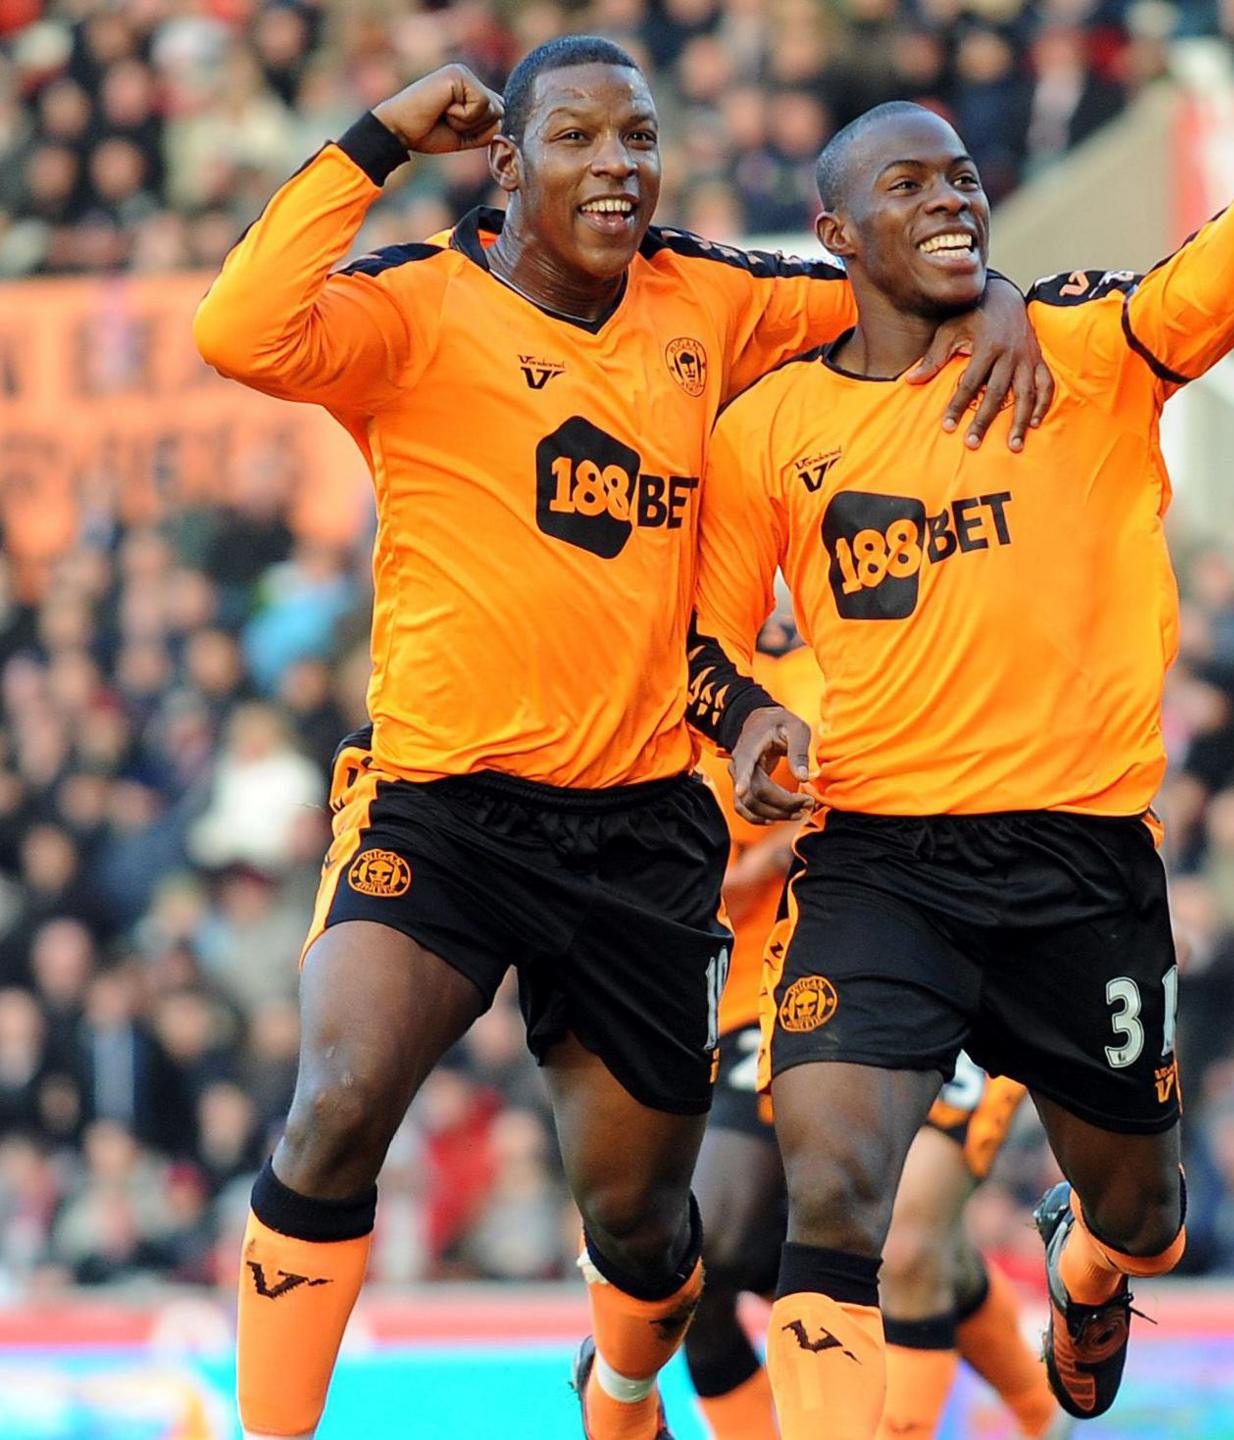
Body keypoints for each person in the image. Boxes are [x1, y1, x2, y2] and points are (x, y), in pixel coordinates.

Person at [191, 41, 1046, 1440]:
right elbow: (238, 330)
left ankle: (624, 1384)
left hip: (645, 827)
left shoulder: (709, 294)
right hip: (441, 804)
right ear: (508, 162)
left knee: (651, 1235)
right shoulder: (416, 307)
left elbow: (894, 272)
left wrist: (999, 291)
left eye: (638, 138)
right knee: (338, 1104)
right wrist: (375, 142)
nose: (618, 166)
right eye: (578, 138)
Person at [684, 63, 1234, 1438]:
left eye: (960, 177)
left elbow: (1204, 292)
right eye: (910, 183)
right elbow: (697, 640)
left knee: (1150, 1212)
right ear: (838, 240)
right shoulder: (773, 430)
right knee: (836, 1197)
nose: (952, 198)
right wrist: (751, 721)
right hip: (879, 864)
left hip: (1082, 859)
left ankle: (1086, 1260)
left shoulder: (1080, 349)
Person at [684, 641, 1056, 1440]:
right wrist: (740, 872)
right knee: (713, 1253)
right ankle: (1040, 1410)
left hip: (969, 953)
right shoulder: (691, 657)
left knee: (914, 1232)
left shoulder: (930, 611)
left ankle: (1034, 1412)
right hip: (773, 988)